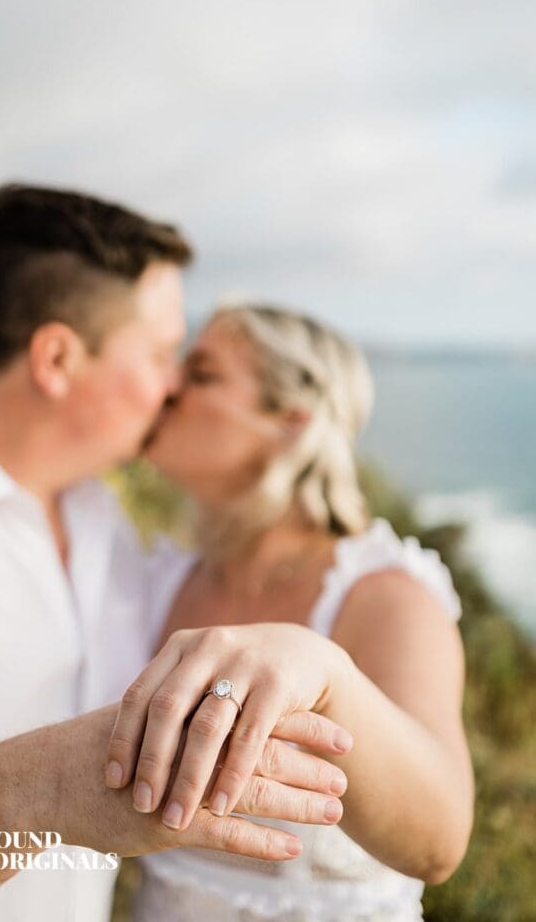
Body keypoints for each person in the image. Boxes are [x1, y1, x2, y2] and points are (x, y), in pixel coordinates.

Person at [0, 186, 354, 922]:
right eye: (160, 354)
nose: (176, 384)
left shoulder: (106, 526)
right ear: (57, 358)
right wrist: (50, 788)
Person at [102, 304, 475, 922]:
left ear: (289, 425)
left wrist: (328, 674)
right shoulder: (159, 581)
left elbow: (440, 844)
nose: (169, 386)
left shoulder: (383, 595)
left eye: (202, 373)